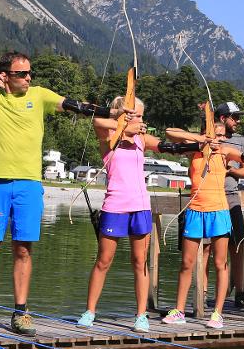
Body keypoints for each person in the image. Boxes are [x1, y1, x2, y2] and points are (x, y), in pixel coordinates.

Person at [0, 51, 130, 335]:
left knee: (23, 249)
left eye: (30, 73)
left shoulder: (39, 95)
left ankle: (20, 313)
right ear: (5, 75)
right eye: (22, 74)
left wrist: (111, 113)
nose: (29, 78)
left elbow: (75, 106)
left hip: (29, 185)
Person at [78, 97, 215, 333]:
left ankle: (141, 315)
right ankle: (90, 311)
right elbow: (97, 121)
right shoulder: (109, 137)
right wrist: (122, 123)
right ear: (125, 115)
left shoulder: (141, 139)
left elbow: (168, 146)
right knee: (103, 261)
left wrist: (199, 140)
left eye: (142, 116)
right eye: (137, 115)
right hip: (115, 206)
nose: (141, 121)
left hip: (140, 207)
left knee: (140, 262)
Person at [161, 117, 244, 328]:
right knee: (187, 262)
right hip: (196, 210)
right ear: (207, 134)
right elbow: (170, 130)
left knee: (220, 263)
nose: (222, 139)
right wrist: (200, 140)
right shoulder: (194, 149)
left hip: (220, 211)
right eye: (218, 135)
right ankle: (178, 310)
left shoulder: (225, 152)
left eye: (223, 136)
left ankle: (217, 313)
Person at [216, 102, 244, 308]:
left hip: (232, 197)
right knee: (206, 248)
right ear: (223, 118)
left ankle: (239, 293)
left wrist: (230, 170)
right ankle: (203, 294)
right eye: (235, 117)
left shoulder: (242, 141)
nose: (238, 121)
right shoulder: (210, 136)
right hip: (210, 197)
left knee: (237, 246)